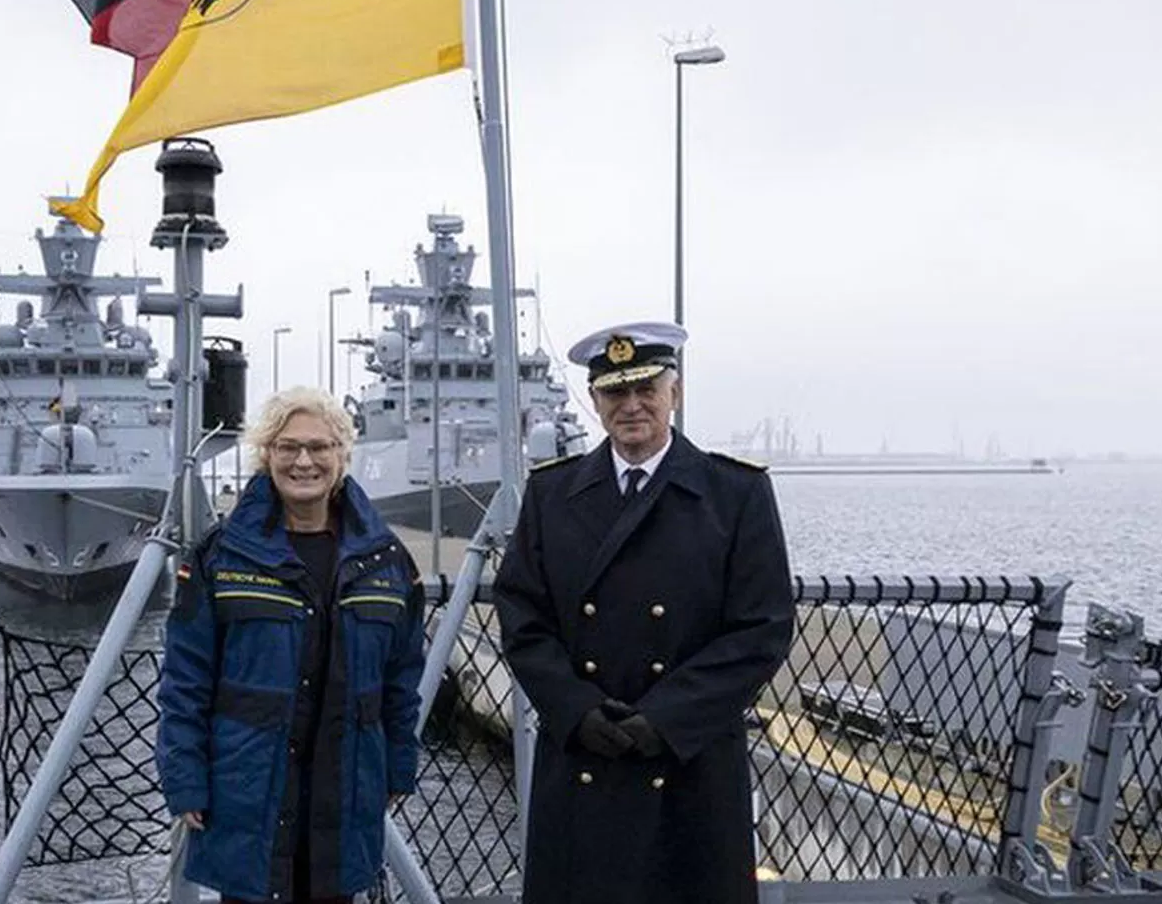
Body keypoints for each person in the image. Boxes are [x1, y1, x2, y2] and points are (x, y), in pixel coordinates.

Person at [493, 321, 795, 904]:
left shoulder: (734, 494)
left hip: (689, 755)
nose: (632, 406)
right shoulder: (552, 495)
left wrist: (665, 718)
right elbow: (522, 615)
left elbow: (763, 627)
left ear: (673, 394)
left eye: (646, 390)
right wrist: (577, 711)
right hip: (585, 749)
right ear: (594, 402)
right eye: (614, 393)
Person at [157, 386, 426, 904]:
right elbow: (185, 680)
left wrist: (398, 766)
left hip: (345, 791)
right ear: (267, 456)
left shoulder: (387, 562)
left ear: (342, 456)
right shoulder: (221, 557)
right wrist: (185, 777)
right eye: (287, 447)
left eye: (320, 447)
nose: (304, 461)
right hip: (249, 789)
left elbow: (401, 680)